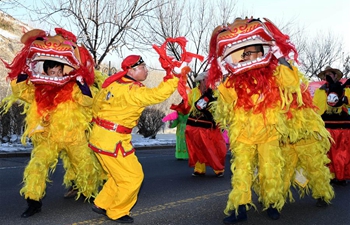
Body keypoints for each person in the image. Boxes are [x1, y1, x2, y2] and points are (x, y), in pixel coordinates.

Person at [206, 17, 334, 224]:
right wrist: (222, 76)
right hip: (243, 134)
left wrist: (280, 56)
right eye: (243, 54)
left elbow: (292, 84)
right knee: (242, 172)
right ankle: (240, 208)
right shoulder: (233, 80)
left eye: (252, 51)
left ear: (261, 51)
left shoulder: (274, 73)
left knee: (270, 170)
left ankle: (272, 204)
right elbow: (227, 101)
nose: (247, 57)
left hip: (269, 133)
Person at [1, 28, 105, 218]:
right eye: (52, 71)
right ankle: (33, 201)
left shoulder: (73, 87)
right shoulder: (38, 89)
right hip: (48, 138)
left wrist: (82, 83)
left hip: (74, 137)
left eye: (59, 71)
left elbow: (89, 101)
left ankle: (87, 191)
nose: (56, 74)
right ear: (46, 71)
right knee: (37, 167)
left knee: (85, 166)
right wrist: (23, 72)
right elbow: (20, 91)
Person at [88, 55, 181, 223]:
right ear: (131, 70)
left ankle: (102, 203)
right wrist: (174, 77)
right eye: (143, 67)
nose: (146, 70)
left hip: (100, 136)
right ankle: (117, 211)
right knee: (133, 177)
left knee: (116, 175)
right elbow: (157, 94)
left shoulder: (113, 85)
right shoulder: (132, 91)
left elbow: (96, 106)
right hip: (113, 140)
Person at [184, 72, 227, 177]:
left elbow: (219, 108)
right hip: (194, 124)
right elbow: (188, 104)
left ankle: (218, 169)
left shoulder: (214, 93)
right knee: (197, 147)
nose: (209, 81)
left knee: (211, 148)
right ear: (202, 80)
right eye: (207, 79)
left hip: (208, 125)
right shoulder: (193, 92)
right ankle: (199, 169)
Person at [313, 66, 350, 186]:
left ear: (335, 76)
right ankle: (330, 175)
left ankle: (341, 176)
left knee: (341, 152)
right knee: (327, 152)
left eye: (330, 74)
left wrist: (346, 100)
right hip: (326, 126)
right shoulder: (320, 90)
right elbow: (316, 107)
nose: (328, 76)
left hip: (342, 126)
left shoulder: (345, 89)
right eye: (326, 75)